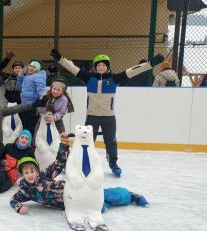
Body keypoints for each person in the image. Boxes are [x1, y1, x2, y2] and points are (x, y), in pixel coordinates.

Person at [50, 49, 164, 177]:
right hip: (92, 117)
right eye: (98, 65)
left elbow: (134, 70)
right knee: (86, 141)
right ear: (95, 67)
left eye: (104, 65)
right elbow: (72, 68)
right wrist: (60, 59)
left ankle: (113, 163)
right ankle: (81, 162)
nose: (101, 67)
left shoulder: (114, 79)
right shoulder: (88, 78)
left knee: (110, 141)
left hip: (109, 118)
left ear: (108, 66)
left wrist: (150, 63)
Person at [10, 157, 149, 214]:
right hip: (70, 205)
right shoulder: (25, 191)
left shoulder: (45, 175)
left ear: (37, 170)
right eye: (26, 172)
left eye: (32, 171)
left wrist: (64, 143)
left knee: (105, 195)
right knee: (99, 208)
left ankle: (130, 196)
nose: (30, 175)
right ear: (22, 175)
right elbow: (13, 200)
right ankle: (105, 204)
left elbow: (60, 161)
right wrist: (19, 207)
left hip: (75, 190)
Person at [17, 59, 47, 135]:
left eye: (34, 67)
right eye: (30, 66)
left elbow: (41, 90)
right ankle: (24, 142)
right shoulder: (27, 76)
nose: (31, 68)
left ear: (38, 69)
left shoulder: (38, 76)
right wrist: (20, 76)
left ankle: (29, 143)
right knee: (24, 124)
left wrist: (43, 99)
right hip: (24, 104)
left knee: (30, 126)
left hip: (32, 105)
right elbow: (19, 87)